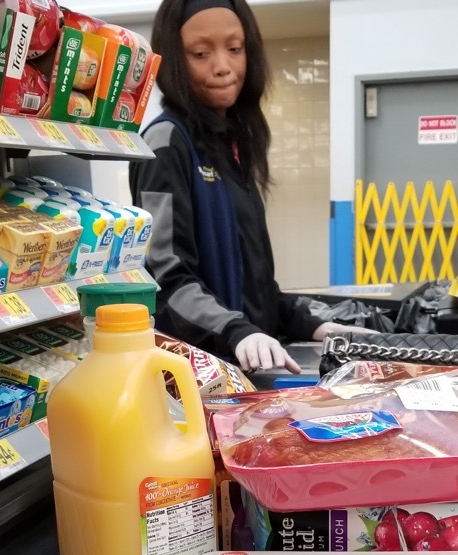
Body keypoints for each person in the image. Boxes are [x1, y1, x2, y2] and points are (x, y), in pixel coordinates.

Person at [130, 0, 363, 373]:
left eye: (235, 49)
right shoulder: (166, 142)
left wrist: (309, 323)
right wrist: (236, 331)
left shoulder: (233, 145)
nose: (223, 67)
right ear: (175, 59)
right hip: (202, 372)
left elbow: (254, 284)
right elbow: (166, 279)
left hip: (249, 365)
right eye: (201, 53)